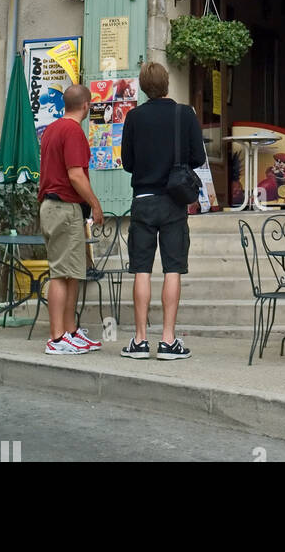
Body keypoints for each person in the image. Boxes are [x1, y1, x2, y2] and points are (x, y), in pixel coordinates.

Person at [119, 61, 206, 359]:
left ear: (144, 87)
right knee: (173, 269)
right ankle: (168, 340)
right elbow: (198, 156)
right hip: (173, 200)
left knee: (141, 269)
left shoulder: (133, 117)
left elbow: (127, 163)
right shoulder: (185, 114)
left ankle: (140, 340)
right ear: (167, 84)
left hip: (143, 199)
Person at [37, 83, 104, 356]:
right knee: (62, 274)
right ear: (86, 105)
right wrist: (95, 205)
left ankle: (70, 331)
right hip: (64, 207)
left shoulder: (51, 129)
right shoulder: (73, 131)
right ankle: (56, 337)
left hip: (54, 206)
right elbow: (75, 174)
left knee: (72, 272)